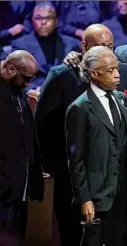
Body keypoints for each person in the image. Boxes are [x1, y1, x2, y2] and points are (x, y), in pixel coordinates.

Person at [35, 23, 127, 246]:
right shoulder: (62, 77)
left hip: (118, 183)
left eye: (111, 46)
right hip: (77, 181)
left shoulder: (125, 73)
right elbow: (43, 125)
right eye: (101, 46)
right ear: (84, 46)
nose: (107, 52)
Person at [65, 46, 127, 246]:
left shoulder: (120, 100)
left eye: (117, 69)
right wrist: (84, 199)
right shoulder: (80, 107)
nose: (117, 75)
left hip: (123, 193)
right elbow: (75, 159)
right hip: (98, 197)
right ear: (94, 74)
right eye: (111, 71)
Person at [0, 50, 44, 246]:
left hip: (19, 188)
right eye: (26, 78)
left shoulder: (20, 94)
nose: (29, 83)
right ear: (10, 69)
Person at [4, 2, 80, 90]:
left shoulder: (71, 45)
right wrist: (31, 90)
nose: (43, 22)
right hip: (32, 94)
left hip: (64, 94)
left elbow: (78, 77)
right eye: (38, 18)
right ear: (32, 21)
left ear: (56, 21)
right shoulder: (20, 45)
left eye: (48, 18)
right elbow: (15, 77)